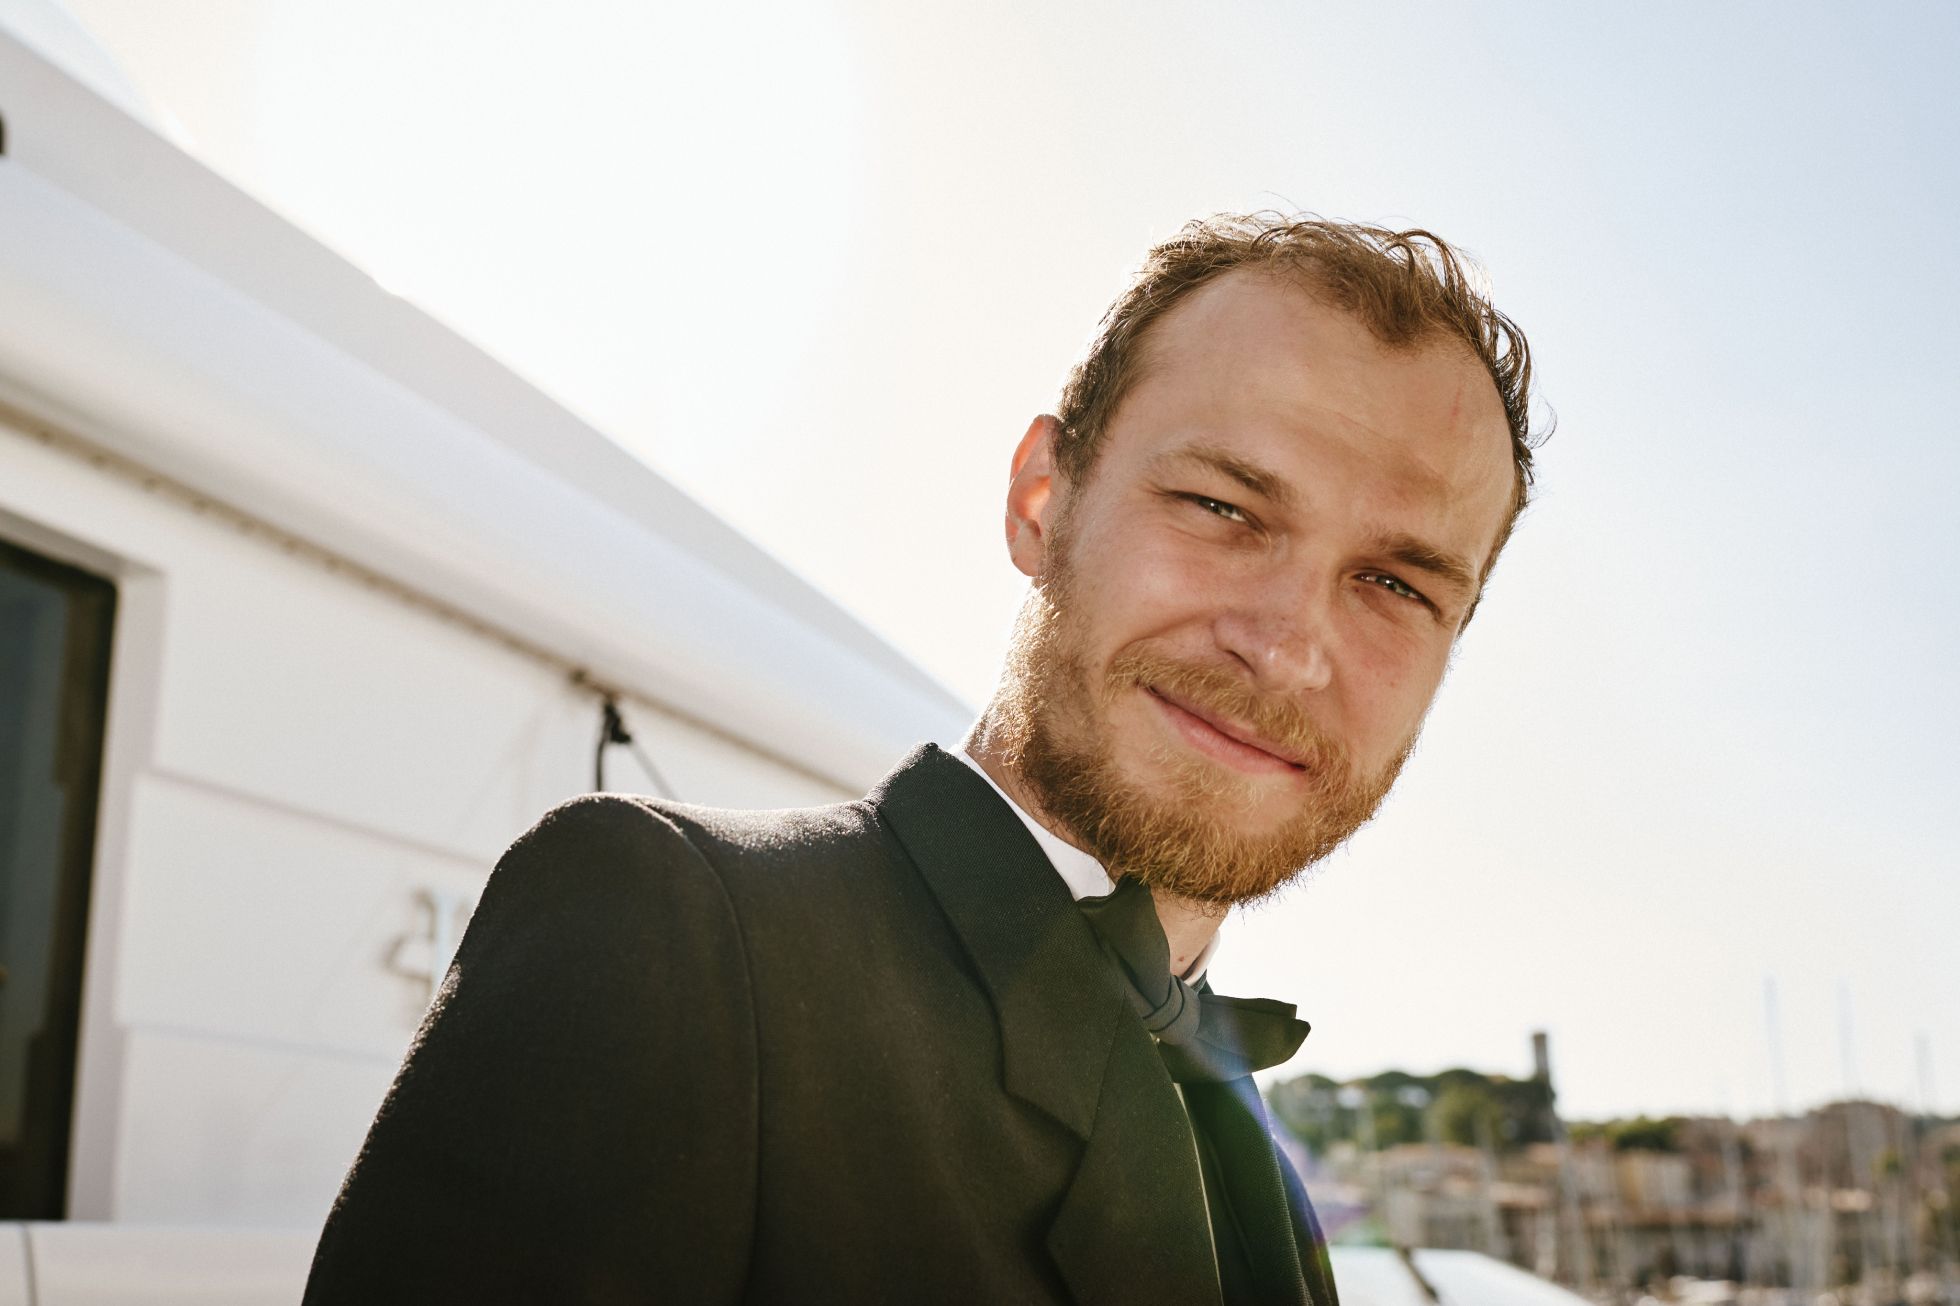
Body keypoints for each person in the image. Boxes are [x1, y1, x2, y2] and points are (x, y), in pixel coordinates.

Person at [303, 212, 1541, 1306]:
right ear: (1041, 499)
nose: (1286, 648)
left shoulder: (1263, 1162)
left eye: (1395, 584)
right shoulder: (665, 930)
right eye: (1222, 506)